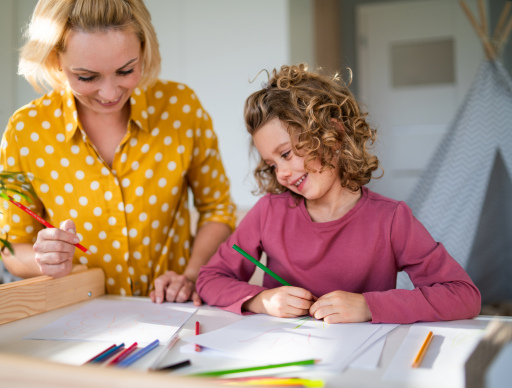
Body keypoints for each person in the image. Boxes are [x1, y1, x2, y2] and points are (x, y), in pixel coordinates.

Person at [196, 64, 481, 324]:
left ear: (332, 134)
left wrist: (369, 306)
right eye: (272, 164)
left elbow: (464, 296)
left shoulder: (391, 219)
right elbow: (209, 279)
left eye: (285, 154)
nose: (281, 173)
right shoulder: (268, 212)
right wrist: (262, 300)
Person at [0, 0, 236, 305]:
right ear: (55, 59)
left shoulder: (180, 108)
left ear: (144, 50)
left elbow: (217, 210)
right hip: (78, 315)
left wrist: (189, 276)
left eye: (126, 71)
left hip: (173, 309)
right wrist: (43, 259)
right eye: (86, 77)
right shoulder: (27, 130)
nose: (109, 94)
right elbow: (13, 247)